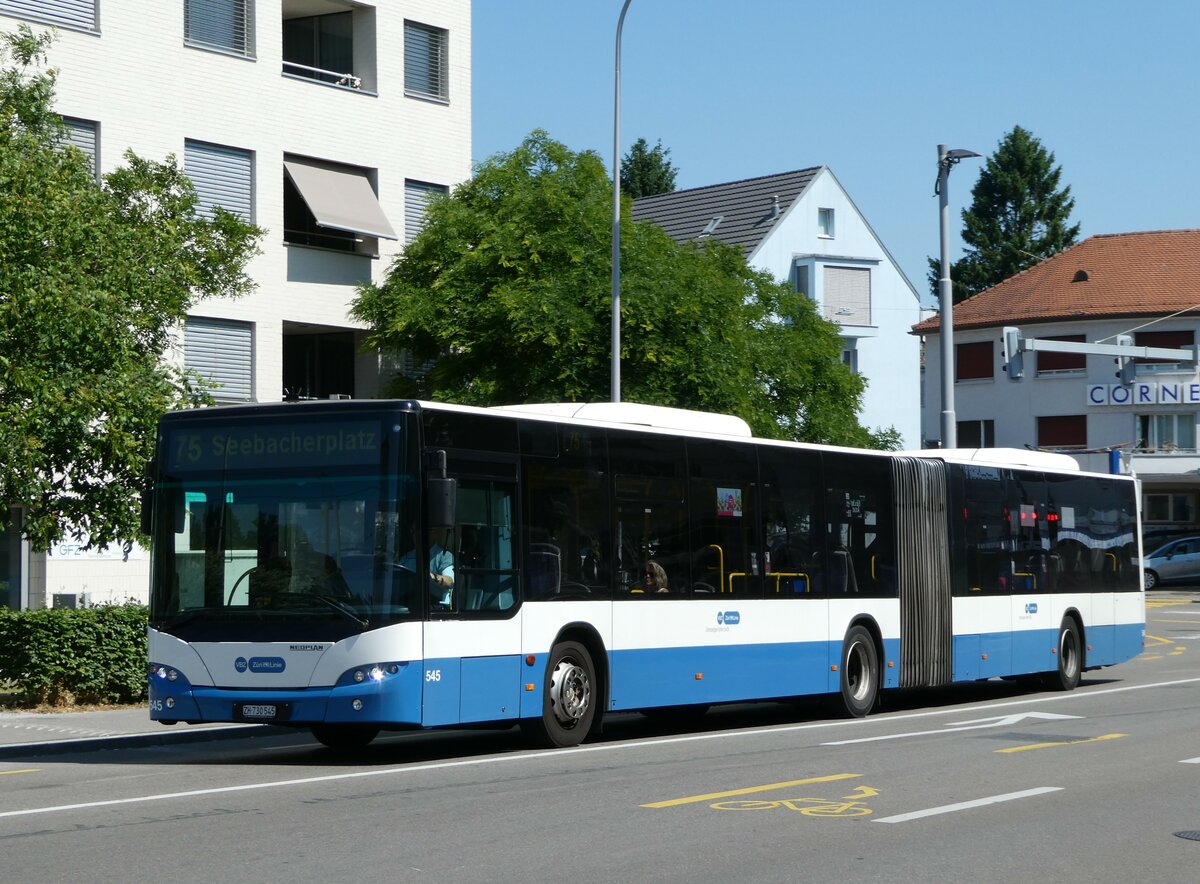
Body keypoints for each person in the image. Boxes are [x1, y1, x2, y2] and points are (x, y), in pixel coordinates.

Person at [400, 526, 455, 607]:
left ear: (433, 533)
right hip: (407, 604)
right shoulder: (407, 557)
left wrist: (434, 577)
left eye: (420, 531)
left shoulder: (445, 556)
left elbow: (449, 581)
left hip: (436, 607)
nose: (416, 535)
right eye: (414, 531)